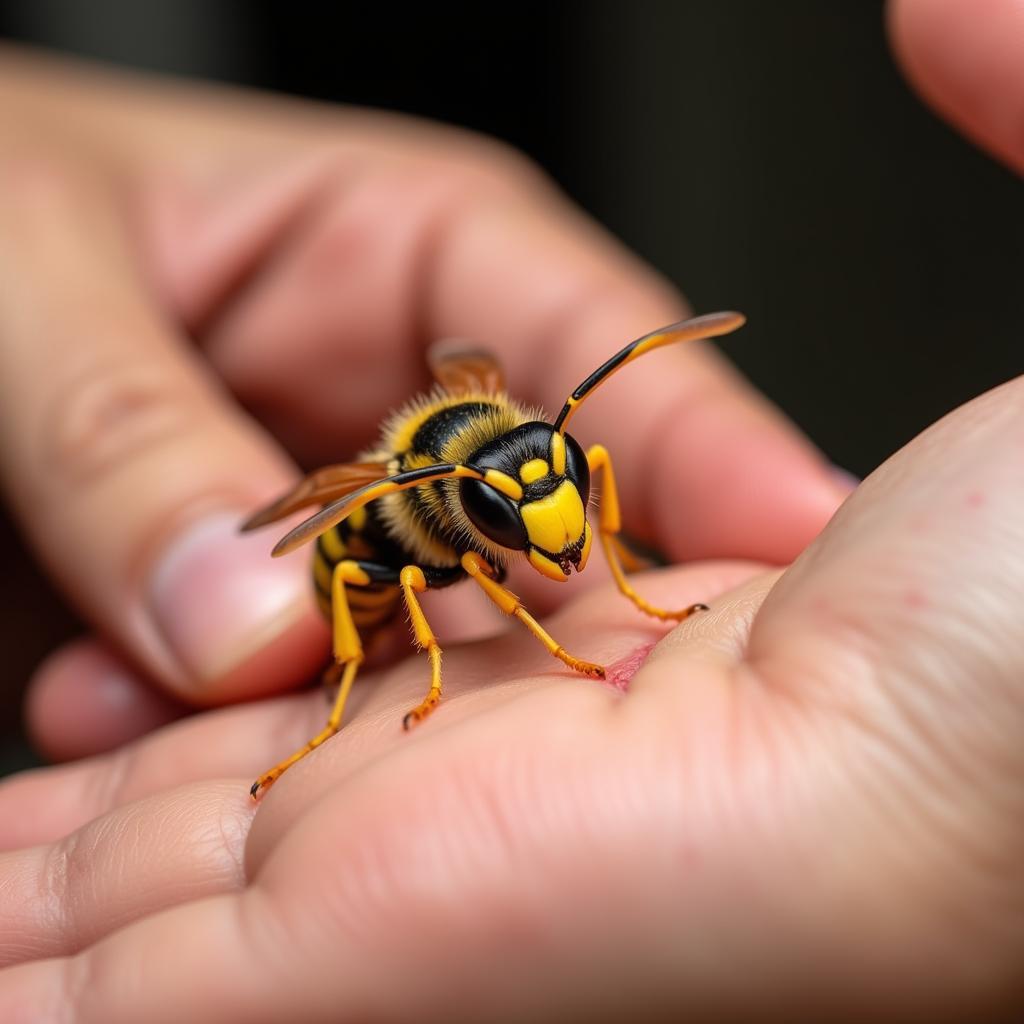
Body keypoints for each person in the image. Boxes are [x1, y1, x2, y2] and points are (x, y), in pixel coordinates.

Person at [0, 0, 1020, 1018]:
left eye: (556, 484)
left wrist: (616, 577)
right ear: (464, 496)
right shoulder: (418, 508)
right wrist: (446, 671)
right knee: (378, 572)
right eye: (519, 500)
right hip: (365, 564)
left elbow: (556, 464)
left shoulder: (531, 458)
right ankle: (337, 705)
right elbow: (413, 565)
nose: (549, 513)